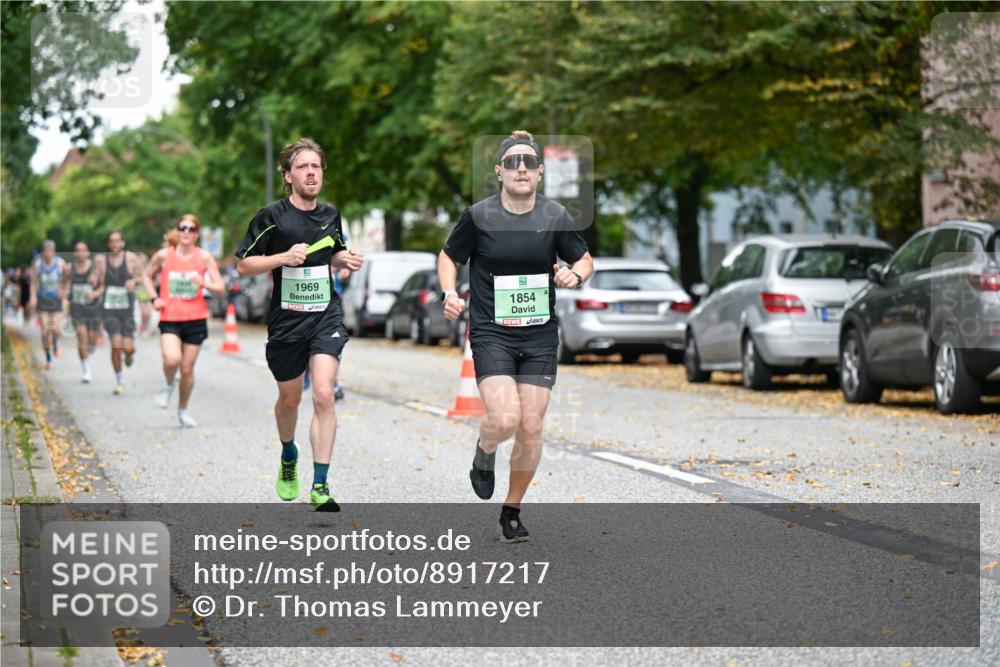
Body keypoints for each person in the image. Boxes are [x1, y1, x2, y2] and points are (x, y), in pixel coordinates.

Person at [439, 130, 594, 542]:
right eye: (512, 162)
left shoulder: (555, 216)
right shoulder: (479, 216)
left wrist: (574, 274)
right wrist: (449, 293)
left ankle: (512, 509)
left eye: (528, 162)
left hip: (540, 335)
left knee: (530, 425)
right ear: (499, 171)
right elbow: (448, 256)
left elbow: (584, 258)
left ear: (540, 172)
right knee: (505, 419)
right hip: (493, 333)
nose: (520, 168)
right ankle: (485, 449)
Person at [235, 138, 363, 512]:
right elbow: (244, 264)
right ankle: (288, 453)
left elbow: (332, 251)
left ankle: (320, 485)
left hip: (325, 315)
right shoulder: (270, 217)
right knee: (290, 399)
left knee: (323, 393)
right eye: (304, 167)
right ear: (288, 175)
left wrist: (346, 259)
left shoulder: (330, 214)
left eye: (317, 167)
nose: (311, 173)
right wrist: (282, 258)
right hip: (287, 321)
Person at [141, 215, 225, 426]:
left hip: (196, 318)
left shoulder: (204, 257)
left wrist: (203, 284)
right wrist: (154, 297)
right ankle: (169, 384)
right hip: (170, 317)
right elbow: (145, 275)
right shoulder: (163, 256)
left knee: (187, 369)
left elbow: (221, 289)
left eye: (191, 228)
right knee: (171, 359)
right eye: (183, 228)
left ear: (197, 234)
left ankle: (183, 409)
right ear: (178, 231)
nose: (186, 232)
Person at [101, 230, 142, 394]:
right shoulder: (102, 261)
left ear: (123, 242)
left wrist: (135, 281)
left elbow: (142, 277)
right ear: (108, 244)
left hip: (127, 310)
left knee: (128, 348)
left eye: (117, 241)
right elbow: (98, 282)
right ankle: (119, 380)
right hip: (110, 310)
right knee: (116, 346)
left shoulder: (132, 258)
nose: (115, 244)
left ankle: (130, 355)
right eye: (112, 241)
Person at [63, 241, 103, 383]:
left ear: (88, 252)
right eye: (77, 250)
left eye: (83, 250)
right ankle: (86, 370)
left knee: (92, 338)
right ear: (74, 253)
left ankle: (90, 351)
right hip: (77, 308)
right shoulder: (68, 268)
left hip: (93, 308)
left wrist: (95, 294)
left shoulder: (95, 268)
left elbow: (103, 286)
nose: (80, 253)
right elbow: (65, 284)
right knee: (81, 337)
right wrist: (66, 294)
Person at [29, 240, 67, 369]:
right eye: (46, 249)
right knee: (45, 331)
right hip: (43, 300)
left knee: (56, 329)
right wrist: (33, 297)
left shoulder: (61, 263)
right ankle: (48, 358)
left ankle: (56, 342)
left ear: (54, 251)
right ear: (43, 251)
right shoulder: (38, 264)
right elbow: (33, 282)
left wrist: (63, 291)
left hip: (56, 300)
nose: (48, 252)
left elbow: (67, 281)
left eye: (50, 249)